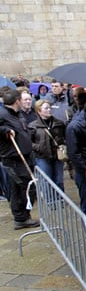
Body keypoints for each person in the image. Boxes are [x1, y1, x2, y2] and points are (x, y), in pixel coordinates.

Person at [0, 90, 39, 229]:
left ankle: (23, 216)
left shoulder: (17, 114)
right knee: (25, 186)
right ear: (17, 101)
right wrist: (4, 130)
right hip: (14, 159)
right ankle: (21, 217)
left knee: (22, 187)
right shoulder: (3, 114)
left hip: (24, 156)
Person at [29, 99, 66, 191]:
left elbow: (65, 137)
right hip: (42, 156)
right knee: (46, 181)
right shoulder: (33, 126)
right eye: (46, 108)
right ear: (39, 111)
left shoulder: (59, 123)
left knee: (59, 180)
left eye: (49, 108)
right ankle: (49, 202)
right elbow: (28, 142)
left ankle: (59, 201)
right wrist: (38, 147)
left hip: (58, 156)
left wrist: (62, 144)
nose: (49, 110)